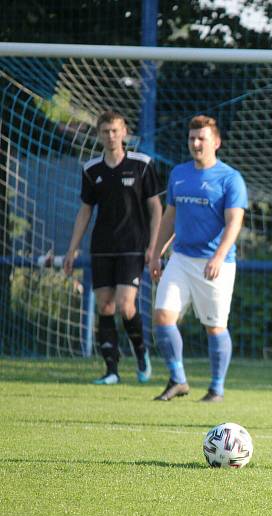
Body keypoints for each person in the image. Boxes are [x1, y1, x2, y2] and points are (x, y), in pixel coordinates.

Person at [148, 115, 247, 403]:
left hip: (216, 264)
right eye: (192, 138)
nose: (195, 143)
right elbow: (170, 216)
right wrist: (156, 252)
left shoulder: (230, 179)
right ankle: (178, 379)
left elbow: (234, 222)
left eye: (201, 138)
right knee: (163, 316)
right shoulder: (179, 173)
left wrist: (217, 257)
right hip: (181, 258)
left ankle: (216, 388)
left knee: (214, 326)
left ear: (216, 142)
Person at [64, 110, 162, 385]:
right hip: (102, 247)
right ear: (99, 134)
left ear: (124, 133)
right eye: (106, 131)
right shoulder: (91, 169)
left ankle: (141, 352)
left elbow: (156, 208)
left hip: (133, 246)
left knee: (125, 305)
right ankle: (111, 370)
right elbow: (85, 212)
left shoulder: (141, 164)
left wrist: (153, 247)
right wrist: (72, 249)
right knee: (105, 306)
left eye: (115, 130)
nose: (111, 136)